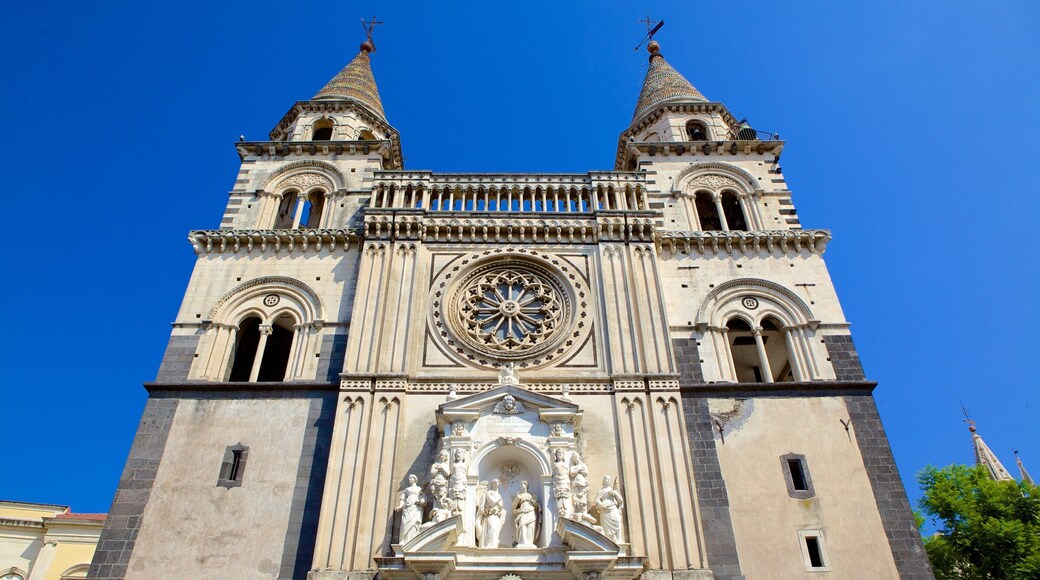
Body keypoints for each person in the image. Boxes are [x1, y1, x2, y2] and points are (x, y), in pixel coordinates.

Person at [595, 476, 624, 544]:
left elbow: (620, 500)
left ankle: (619, 539)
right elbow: (597, 500)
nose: (607, 480)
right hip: (605, 510)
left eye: (609, 479)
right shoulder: (600, 491)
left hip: (613, 508)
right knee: (606, 529)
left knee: (618, 522)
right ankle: (608, 540)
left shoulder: (612, 490)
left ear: (610, 481)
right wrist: (600, 503)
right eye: (606, 479)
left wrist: (614, 493)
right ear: (603, 481)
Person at [477, 479, 505, 548]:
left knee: (495, 530)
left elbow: (501, 506)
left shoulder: (498, 494)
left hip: (496, 515)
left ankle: (493, 545)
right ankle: (488, 545)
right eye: (494, 482)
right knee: (491, 528)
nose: (496, 484)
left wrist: (497, 500)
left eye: (497, 482)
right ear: (491, 484)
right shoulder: (488, 492)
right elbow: (492, 502)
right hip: (490, 514)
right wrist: (498, 499)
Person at [398, 474, 425, 544]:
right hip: (407, 507)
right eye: (409, 478)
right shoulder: (407, 489)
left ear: (415, 479)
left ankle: (412, 539)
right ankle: (403, 539)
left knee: (414, 523)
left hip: (416, 507)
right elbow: (402, 498)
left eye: (411, 478)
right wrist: (400, 506)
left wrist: (421, 501)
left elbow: (423, 497)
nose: (410, 480)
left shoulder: (419, 489)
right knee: (405, 522)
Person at [512, 480, 540, 548]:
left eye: (522, 484)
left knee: (531, 527)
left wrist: (534, 502)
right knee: (522, 526)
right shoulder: (519, 495)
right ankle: (522, 542)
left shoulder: (530, 495)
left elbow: (536, 507)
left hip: (531, 511)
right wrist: (518, 498)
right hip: (522, 512)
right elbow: (514, 506)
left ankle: (529, 543)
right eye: (520, 485)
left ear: (526, 485)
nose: (521, 486)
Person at [552, 449, 572, 517]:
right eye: (558, 452)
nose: (560, 454)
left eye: (561, 453)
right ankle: (561, 510)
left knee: (565, 497)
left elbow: (568, 473)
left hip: (565, 481)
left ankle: (564, 511)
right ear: (556, 455)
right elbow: (554, 473)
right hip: (557, 482)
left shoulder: (565, 464)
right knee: (559, 496)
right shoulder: (555, 464)